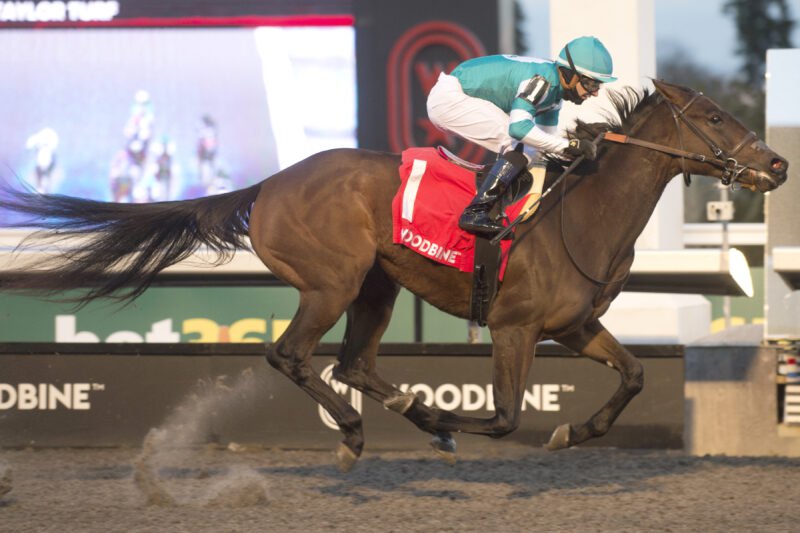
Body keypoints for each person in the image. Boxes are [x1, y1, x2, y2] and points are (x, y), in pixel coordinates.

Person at [426, 35, 617, 237]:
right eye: (591, 84)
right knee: (520, 143)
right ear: (570, 75)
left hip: (454, 94)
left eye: (598, 86)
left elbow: (544, 143)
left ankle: (493, 205)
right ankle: (476, 212)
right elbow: (518, 129)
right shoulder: (542, 82)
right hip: (449, 99)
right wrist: (566, 146)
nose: (595, 93)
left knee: (531, 150)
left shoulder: (554, 98)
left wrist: (570, 152)